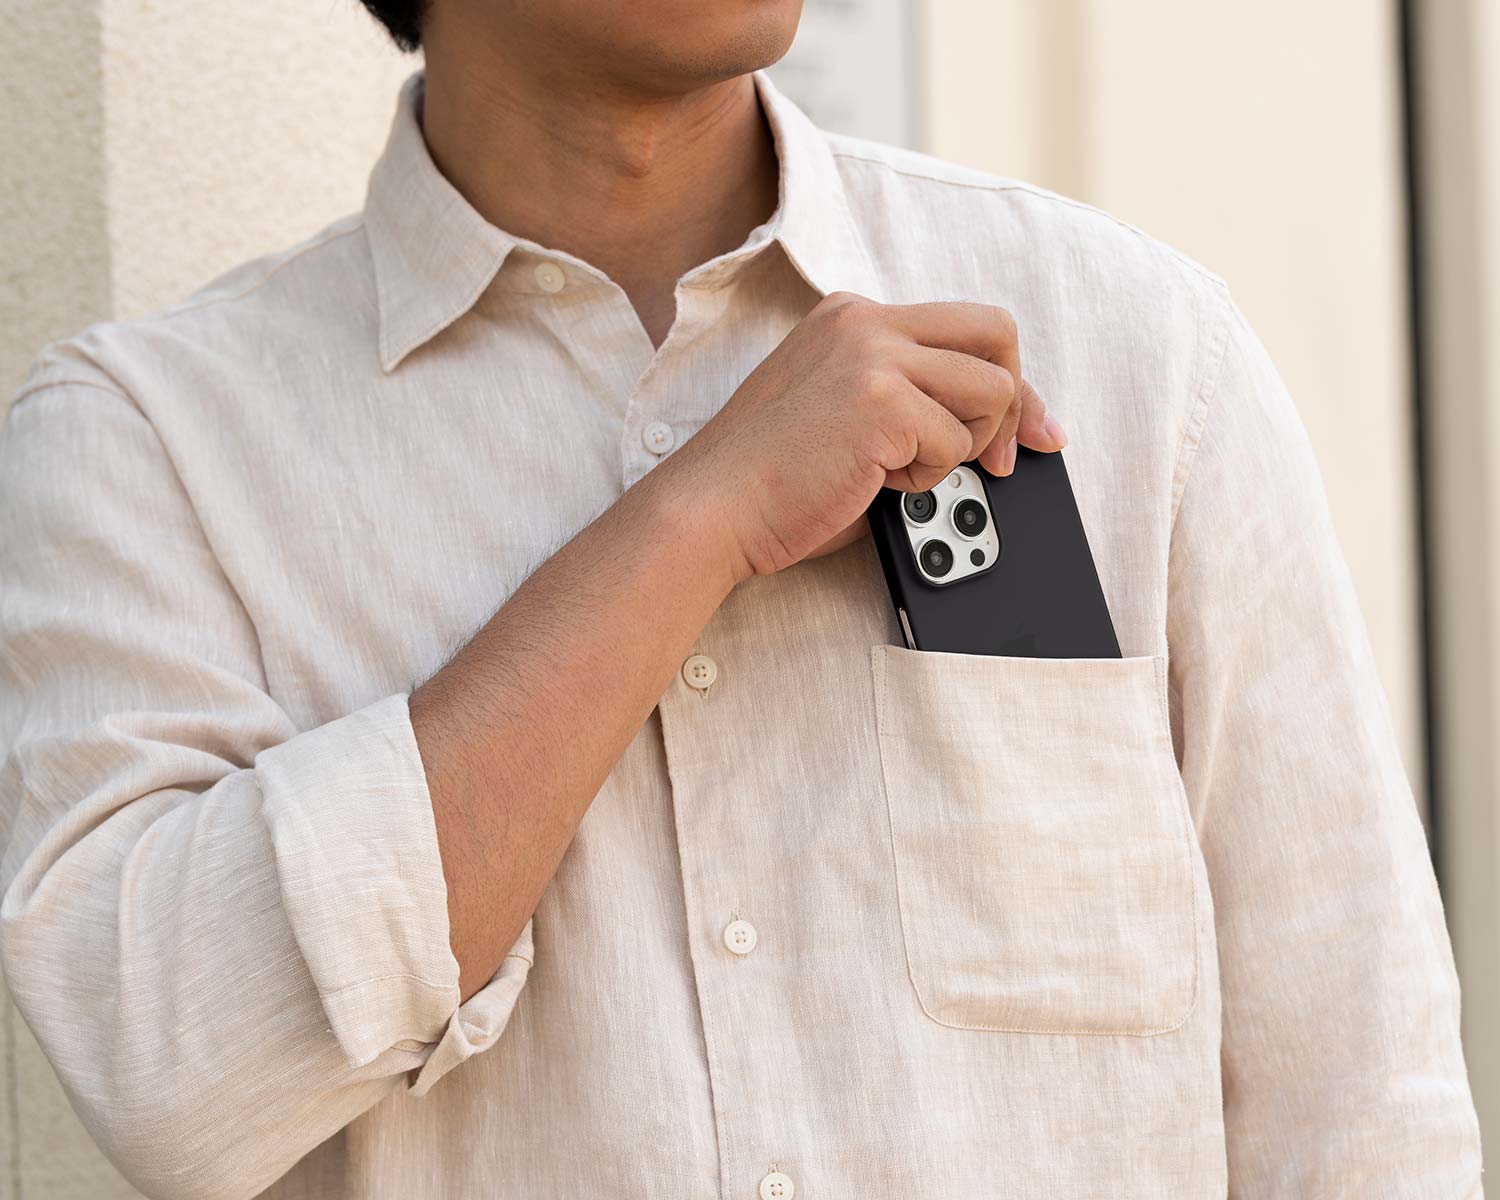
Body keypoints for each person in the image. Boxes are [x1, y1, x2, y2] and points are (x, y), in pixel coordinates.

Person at [0, 0, 1482, 1195]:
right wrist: (694, 521)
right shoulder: (151, 446)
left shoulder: (1138, 350)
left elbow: (1362, 1103)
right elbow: (174, 1083)